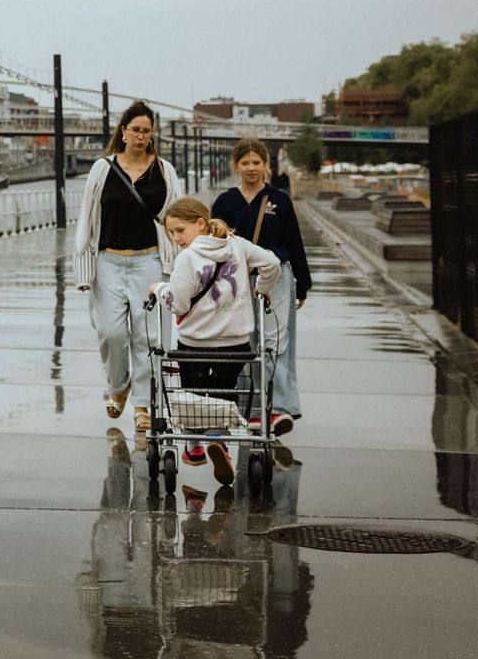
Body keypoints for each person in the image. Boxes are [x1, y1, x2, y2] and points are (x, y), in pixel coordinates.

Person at [150, 197, 280, 487]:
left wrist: (159, 288)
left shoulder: (188, 257)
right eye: (172, 234)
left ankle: (194, 445)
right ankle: (216, 438)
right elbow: (271, 263)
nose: (176, 239)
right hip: (236, 344)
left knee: (193, 393)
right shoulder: (237, 245)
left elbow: (179, 304)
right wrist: (263, 288)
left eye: (179, 230)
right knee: (224, 391)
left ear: (200, 223)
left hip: (194, 344)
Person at [73, 100, 184, 432]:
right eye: (135, 129)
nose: (140, 135)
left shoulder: (164, 170)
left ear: (152, 135)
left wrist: (182, 265)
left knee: (146, 337)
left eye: (146, 131)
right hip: (108, 261)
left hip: (150, 261)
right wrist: (82, 271)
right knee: (111, 332)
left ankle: (141, 405)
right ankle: (117, 385)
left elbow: (177, 217)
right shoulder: (102, 169)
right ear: (123, 132)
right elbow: (86, 221)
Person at [210, 138, 311, 435]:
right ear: (236, 166)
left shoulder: (280, 200)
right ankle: (251, 408)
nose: (251, 168)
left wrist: (303, 284)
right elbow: (214, 246)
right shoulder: (225, 202)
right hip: (238, 279)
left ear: (266, 165)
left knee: (274, 344)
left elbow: (294, 242)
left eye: (257, 162)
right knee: (244, 343)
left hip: (277, 278)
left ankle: (277, 408)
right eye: (245, 163)